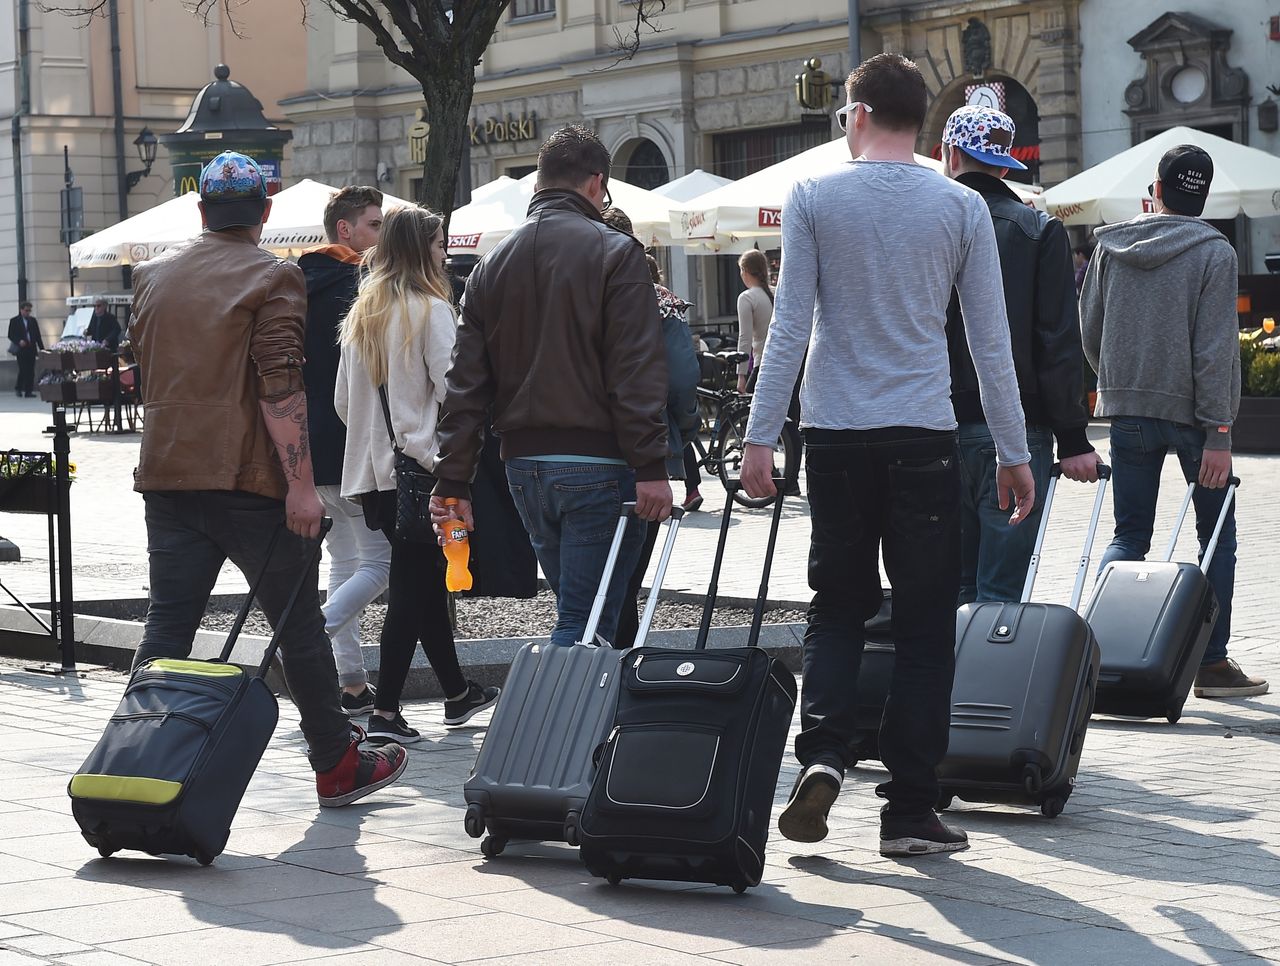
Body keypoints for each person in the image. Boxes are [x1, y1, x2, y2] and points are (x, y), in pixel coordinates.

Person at [740, 54, 1035, 857]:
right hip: (923, 436)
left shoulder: (812, 196)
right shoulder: (959, 206)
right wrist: (1014, 451)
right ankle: (908, 809)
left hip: (834, 435)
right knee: (925, 622)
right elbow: (988, 342)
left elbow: (791, 327)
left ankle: (826, 754)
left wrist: (761, 436)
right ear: (923, 126)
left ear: (860, 114)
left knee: (835, 606)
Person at [129, 150, 406, 808]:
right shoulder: (273, 277)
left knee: (167, 627)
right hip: (248, 482)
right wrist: (303, 486)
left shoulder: (151, 278)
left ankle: (135, 755)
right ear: (266, 211)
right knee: (298, 623)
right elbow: (280, 385)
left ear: (201, 210)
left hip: (168, 474)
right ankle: (336, 763)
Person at [429, 125, 672, 648]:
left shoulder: (492, 263)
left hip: (524, 467)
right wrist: (652, 465)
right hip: (599, 464)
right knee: (583, 626)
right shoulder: (616, 251)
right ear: (596, 185)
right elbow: (636, 366)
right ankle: (542, 728)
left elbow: (464, 384)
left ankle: (595, 725)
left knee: (584, 614)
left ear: (539, 185)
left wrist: (452, 481)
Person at [1082, 144, 1265, 699]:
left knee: (1128, 535)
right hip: (1194, 420)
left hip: (1128, 411)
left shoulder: (1111, 246)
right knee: (1215, 538)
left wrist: (1117, 381)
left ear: (1156, 188)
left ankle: (1094, 659)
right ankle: (1210, 665)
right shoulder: (1214, 251)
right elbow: (1215, 350)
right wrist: (1220, 431)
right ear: (1203, 197)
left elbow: (1089, 330)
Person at [335, 205, 500, 745]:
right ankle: (384, 713)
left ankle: (456, 694)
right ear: (419, 250)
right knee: (411, 589)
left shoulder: (363, 312)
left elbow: (342, 403)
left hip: (372, 475)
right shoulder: (429, 311)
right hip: (421, 470)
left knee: (423, 584)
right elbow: (454, 395)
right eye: (437, 243)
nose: (444, 252)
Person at [941, 105, 1101, 605]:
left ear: (949, 155)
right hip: (1017, 430)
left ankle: (947, 685)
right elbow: (1058, 339)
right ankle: (989, 682)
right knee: (1002, 590)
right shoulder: (1038, 229)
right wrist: (1074, 438)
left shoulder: (927, 224)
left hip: (931, 425)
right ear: (1006, 164)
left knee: (949, 587)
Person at [301, 185, 390, 716]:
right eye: (375, 225)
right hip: (351, 441)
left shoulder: (294, 282)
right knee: (380, 565)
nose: (381, 235)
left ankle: (351, 682)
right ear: (346, 231)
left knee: (345, 562)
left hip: (306, 444)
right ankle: (308, 642)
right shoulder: (361, 285)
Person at [616, 251, 700, 648]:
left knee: (588, 584)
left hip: (571, 450)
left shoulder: (569, 289)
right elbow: (683, 377)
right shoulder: (660, 302)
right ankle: (620, 677)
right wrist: (684, 429)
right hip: (646, 446)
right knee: (628, 576)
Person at [736, 250, 774, 394]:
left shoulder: (746, 298)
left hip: (763, 364)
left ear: (745, 271)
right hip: (788, 364)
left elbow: (744, 337)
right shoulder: (777, 292)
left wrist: (741, 374)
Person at [8, 302, 42, 397]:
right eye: (26, 310)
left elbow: (38, 336)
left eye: (29, 311)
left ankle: (28, 391)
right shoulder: (14, 321)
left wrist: (42, 349)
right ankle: (18, 388)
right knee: (23, 370)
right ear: (21, 310)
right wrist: (19, 341)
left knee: (31, 371)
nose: (28, 313)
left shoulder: (33, 321)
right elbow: (10, 334)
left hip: (31, 349)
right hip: (21, 349)